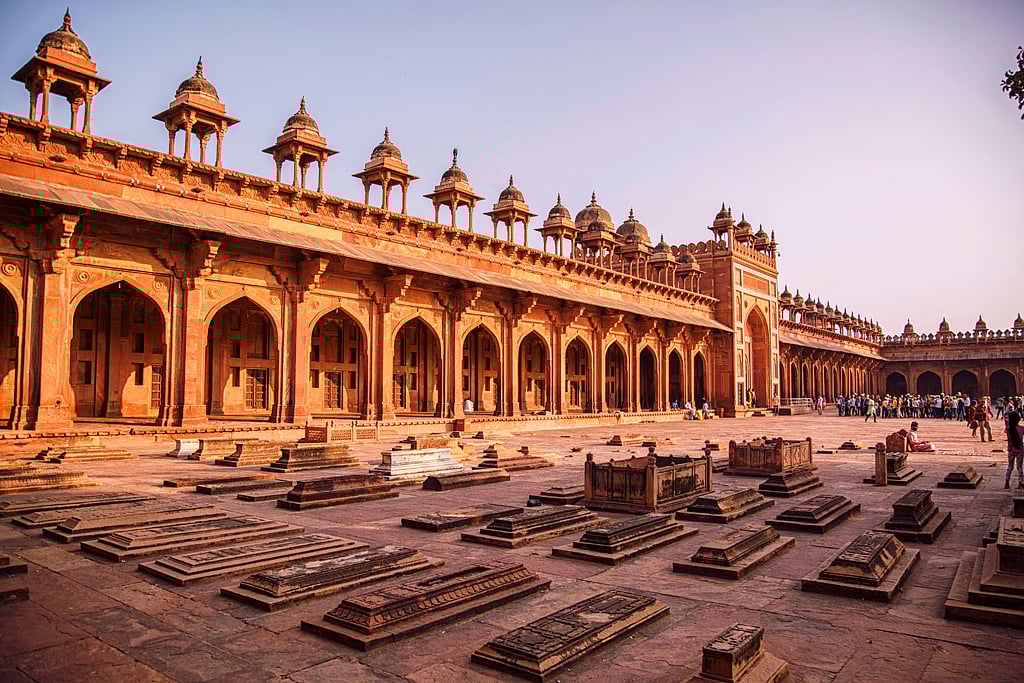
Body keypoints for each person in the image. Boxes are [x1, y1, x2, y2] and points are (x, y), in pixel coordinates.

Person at [1005, 411, 1024, 489]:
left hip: (1011, 449)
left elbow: (1009, 439)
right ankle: (1020, 482)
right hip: (1020, 449)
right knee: (1019, 467)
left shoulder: (1008, 429)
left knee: (1010, 466)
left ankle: (1007, 482)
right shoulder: (1022, 428)